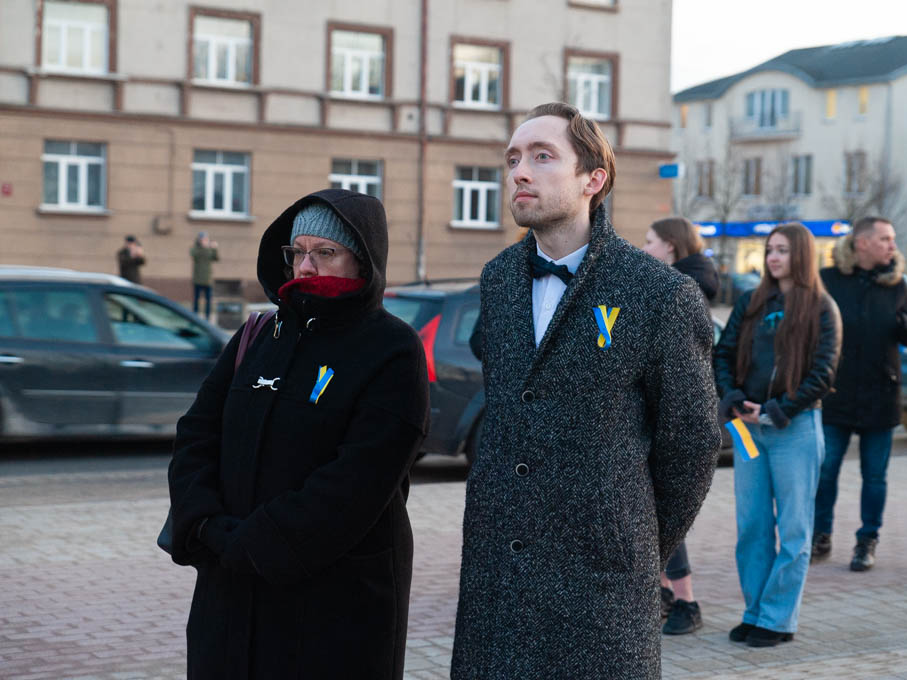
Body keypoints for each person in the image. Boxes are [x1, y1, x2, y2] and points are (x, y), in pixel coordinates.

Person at [452, 103, 720, 680]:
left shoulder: (658, 293)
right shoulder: (498, 279)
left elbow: (692, 444)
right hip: (498, 580)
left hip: (601, 589)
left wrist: (630, 539)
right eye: (513, 159)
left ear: (592, 180)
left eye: (542, 157)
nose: (520, 172)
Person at [165, 189, 429, 679]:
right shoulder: (258, 335)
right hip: (229, 593)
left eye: (325, 252)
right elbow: (196, 433)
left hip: (334, 606)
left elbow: (359, 479)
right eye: (297, 252)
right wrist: (203, 523)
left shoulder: (392, 348)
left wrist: (255, 543)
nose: (306, 267)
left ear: (362, 260)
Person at [714, 222, 841, 647]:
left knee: (794, 529)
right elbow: (723, 353)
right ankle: (755, 612)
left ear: (801, 254)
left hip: (794, 429)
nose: (773, 257)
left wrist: (777, 409)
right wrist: (733, 397)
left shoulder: (822, 307)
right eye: (770, 249)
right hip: (747, 430)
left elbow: (823, 372)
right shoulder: (750, 302)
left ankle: (777, 618)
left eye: (782, 250)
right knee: (751, 525)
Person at [812, 216, 907, 571]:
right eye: (885, 239)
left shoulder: (897, 285)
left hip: (880, 395)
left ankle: (867, 540)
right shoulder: (828, 279)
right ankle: (820, 535)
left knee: (874, 476)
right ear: (862, 243)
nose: (892, 246)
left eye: (892, 239)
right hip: (836, 393)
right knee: (825, 471)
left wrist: (902, 322)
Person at [642, 216, 719, 635]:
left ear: (670, 246)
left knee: (666, 510)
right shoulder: (683, 284)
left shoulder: (683, 290)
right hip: (663, 414)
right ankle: (666, 592)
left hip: (674, 418)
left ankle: (687, 601)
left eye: (650, 241)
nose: (644, 249)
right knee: (652, 510)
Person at [190, 231, 219, 319]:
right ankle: (195, 317)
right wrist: (204, 247)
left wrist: (214, 248)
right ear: (199, 240)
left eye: (206, 239)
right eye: (202, 239)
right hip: (198, 279)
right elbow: (193, 254)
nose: (204, 241)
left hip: (208, 280)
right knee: (196, 300)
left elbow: (216, 258)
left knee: (208, 301)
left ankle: (207, 318)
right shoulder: (196, 249)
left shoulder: (209, 250)